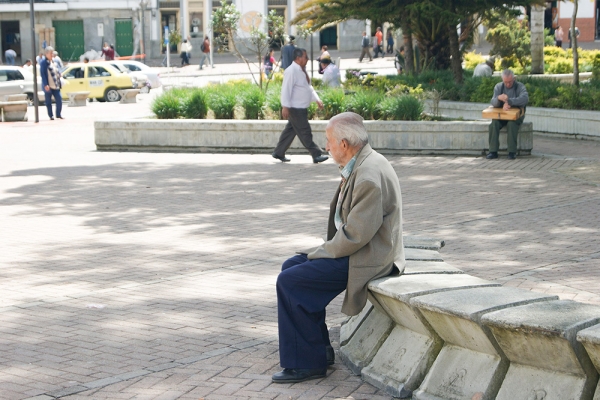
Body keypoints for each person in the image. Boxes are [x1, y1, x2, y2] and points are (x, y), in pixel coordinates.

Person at [272, 111, 405, 384]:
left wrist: (319, 252)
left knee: (291, 281)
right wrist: (317, 253)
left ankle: (306, 364)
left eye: (329, 140)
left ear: (344, 144)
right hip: (361, 248)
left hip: (370, 256)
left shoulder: (368, 174)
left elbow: (355, 236)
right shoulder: (362, 161)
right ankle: (318, 348)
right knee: (291, 268)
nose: (326, 147)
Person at [272, 48, 328, 164]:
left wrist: (317, 99)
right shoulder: (291, 71)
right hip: (295, 108)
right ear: (298, 58)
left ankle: (279, 152)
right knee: (305, 131)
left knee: (290, 131)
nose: (307, 59)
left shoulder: (302, 70)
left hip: (301, 107)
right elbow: (286, 90)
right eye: (305, 57)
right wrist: (285, 106)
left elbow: (308, 87)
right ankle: (316, 154)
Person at [487, 69, 528, 160]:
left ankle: (512, 152)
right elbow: (493, 102)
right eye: (506, 82)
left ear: (514, 78)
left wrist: (510, 101)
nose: (508, 84)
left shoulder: (520, 87)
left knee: (511, 124)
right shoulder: (498, 87)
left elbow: (525, 99)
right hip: (502, 115)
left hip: (516, 115)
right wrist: (499, 98)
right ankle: (493, 151)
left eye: (510, 82)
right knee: (494, 124)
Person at [39, 46, 63, 121]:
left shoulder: (54, 61)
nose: (52, 54)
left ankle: (58, 114)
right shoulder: (43, 63)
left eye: (52, 53)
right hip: (48, 86)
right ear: (46, 54)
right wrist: (45, 84)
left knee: (59, 99)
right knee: (48, 102)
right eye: (50, 53)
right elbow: (43, 74)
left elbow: (57, 69)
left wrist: (59, 73)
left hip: (56, 85)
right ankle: (51, 115)